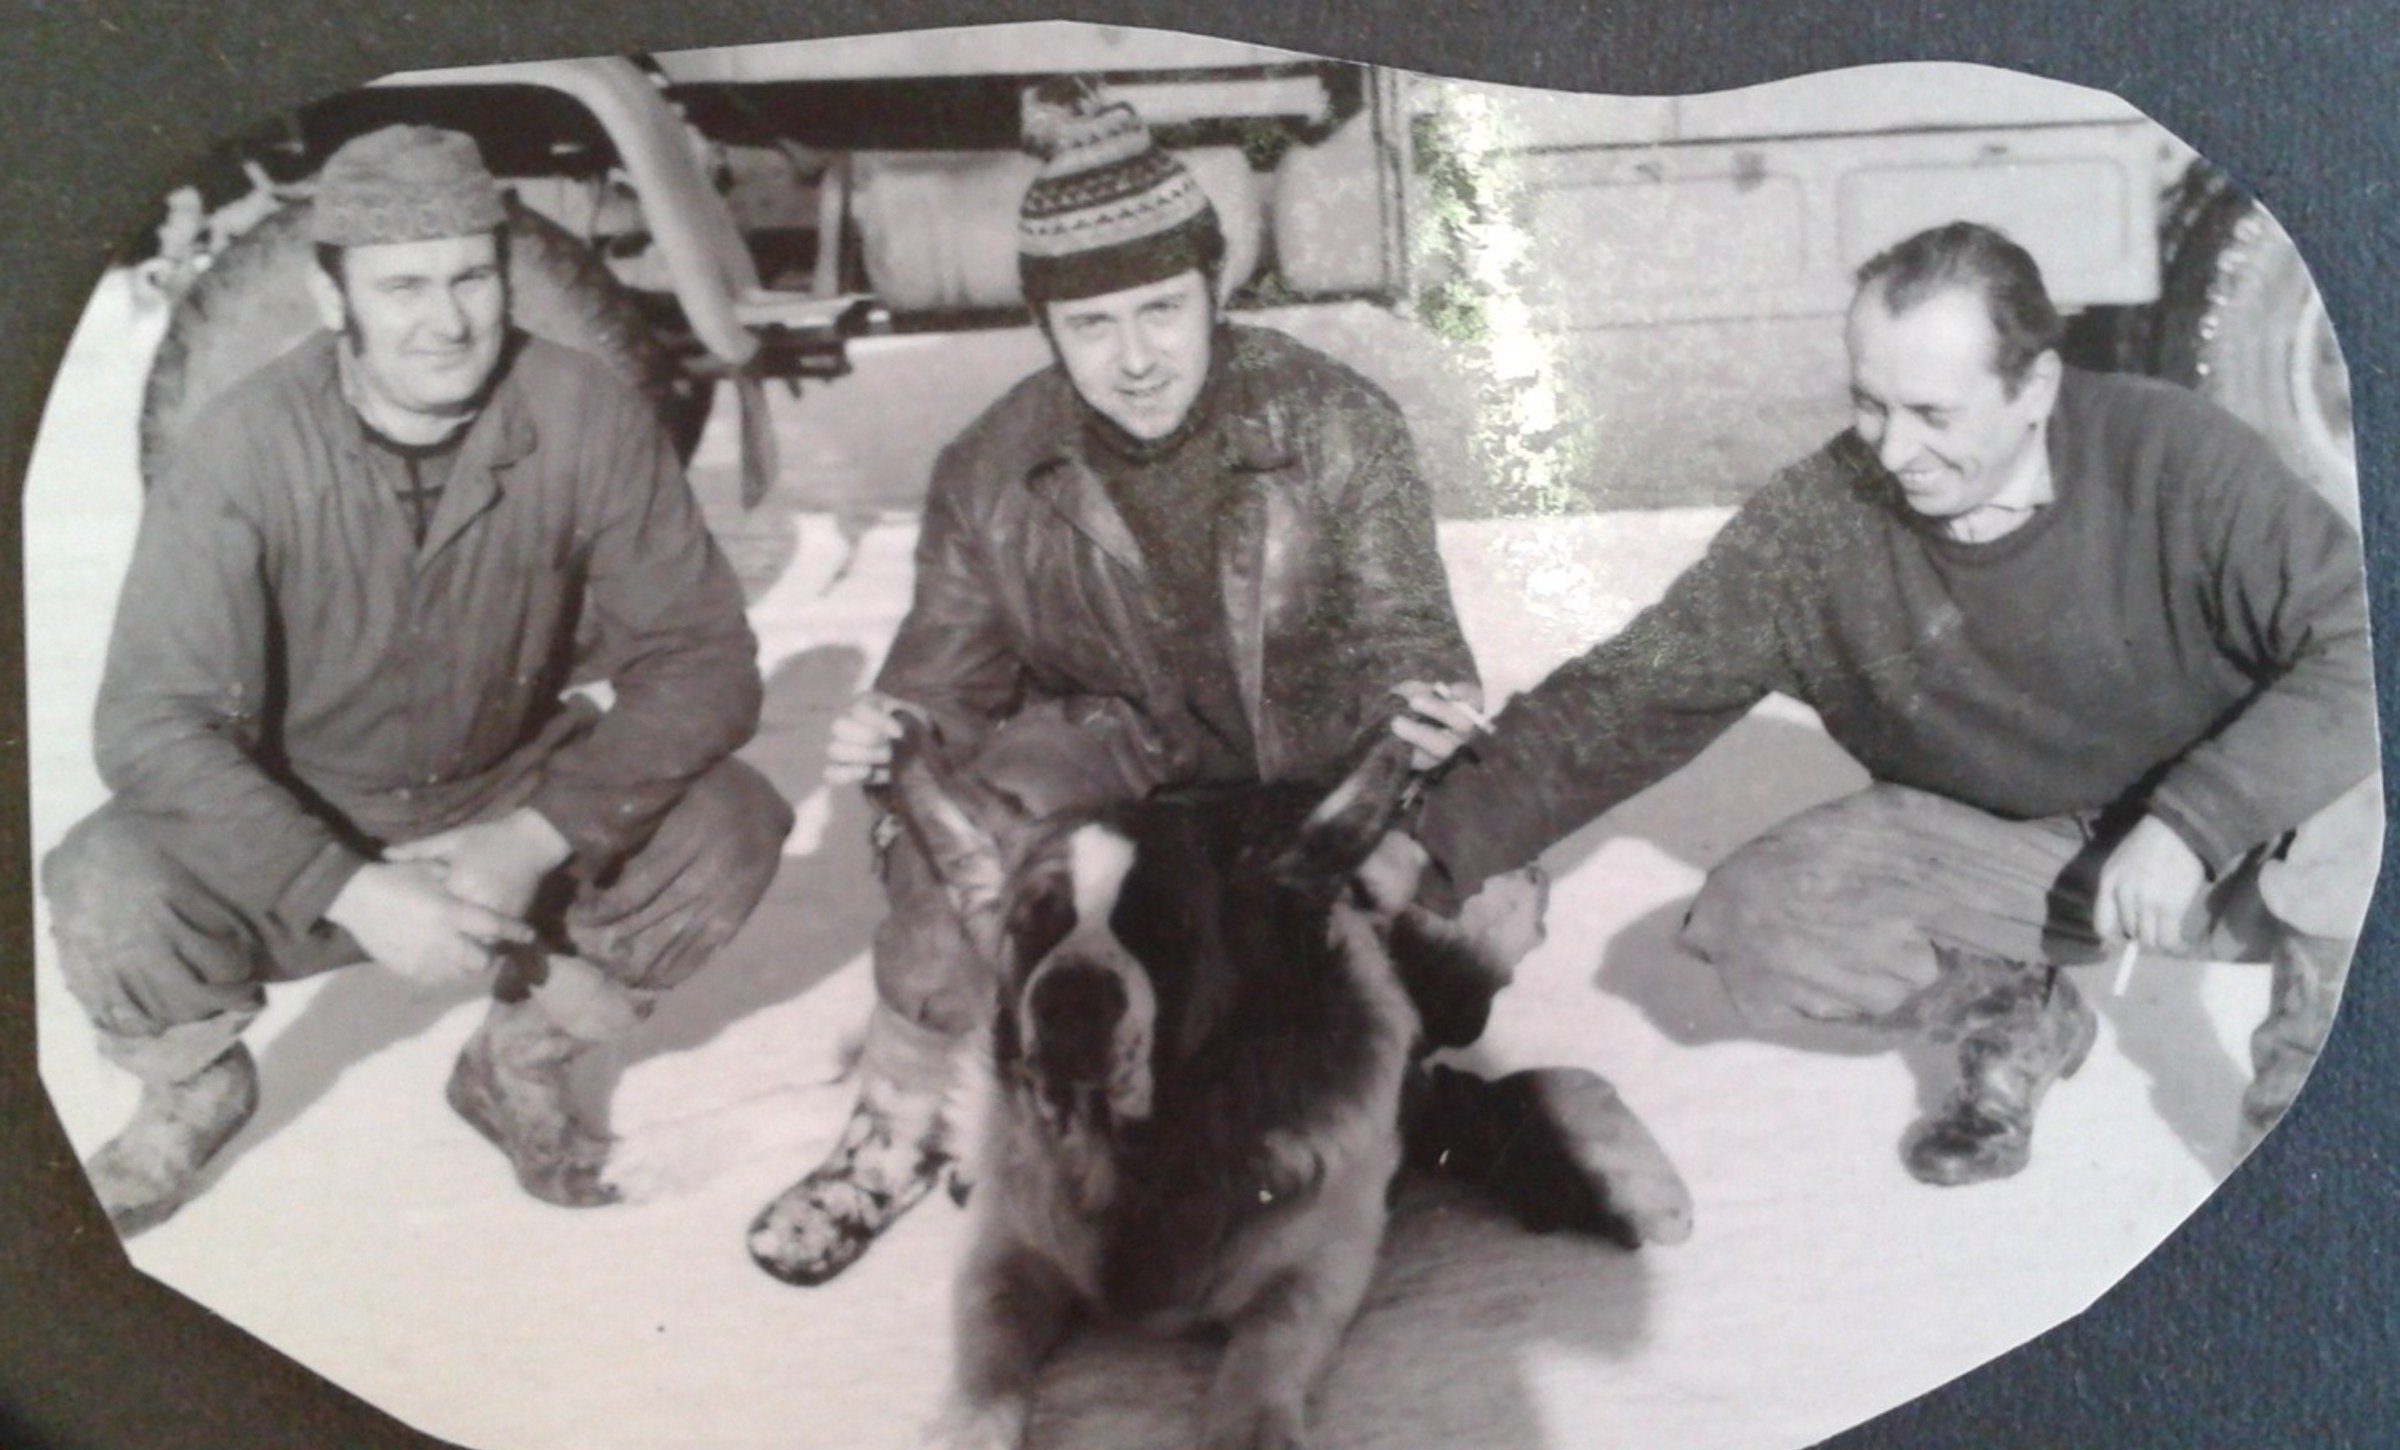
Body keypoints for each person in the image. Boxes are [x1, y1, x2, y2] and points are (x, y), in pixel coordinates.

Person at [1403, 220, 2377, 1185]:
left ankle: (2306, 1129)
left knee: (2364, 764)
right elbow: (1625, 698)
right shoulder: (1821, 524)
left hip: (2244, 853)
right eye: (1870, 405)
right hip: (2034, 859)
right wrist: (1423, 853)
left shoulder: (2167, 454)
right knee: (1759, 920)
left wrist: (2194, 822)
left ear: (2035, 388)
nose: (1896, 450)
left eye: (1933, 414)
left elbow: (2363, 638)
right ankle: (2014, 1012)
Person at [742, 82, 1523, 1285]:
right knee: (961, 820)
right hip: (1116, 770)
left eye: (1162, 309)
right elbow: (939, 687)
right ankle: (892, 1130)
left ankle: (1358, 1105)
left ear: (1216, 289)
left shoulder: (1337, 423)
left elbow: (1405, 635)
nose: (1137, 356)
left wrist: (1414, 713)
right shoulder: (991, 467)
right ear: (1047, 327)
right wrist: (890, 734)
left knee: (1462, 918)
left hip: (1298, 772)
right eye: (1093, 323)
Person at [44, 125, 791, 1234]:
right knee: (106, 876)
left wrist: (535, 836)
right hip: (303, 814)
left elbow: (704, 658)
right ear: (330, 295)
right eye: (402, 287)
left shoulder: (581, 408)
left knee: (731, 820)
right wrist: (347, 887)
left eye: (470, 278)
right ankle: (190, 1085)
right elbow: (154, 724)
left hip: (504, 795)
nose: (446, 321)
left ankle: (519, 1059)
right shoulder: (240, 446)